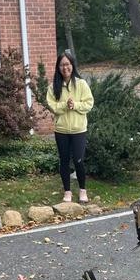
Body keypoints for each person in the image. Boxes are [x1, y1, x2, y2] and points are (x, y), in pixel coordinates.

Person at [46, 51, 94, 204]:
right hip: (61, 131)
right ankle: (67, 191)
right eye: (61, 65)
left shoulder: (81, 84)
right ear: (58, 67)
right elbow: (52, 106)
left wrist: (76, 105)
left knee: (79, 160)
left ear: (72, 65)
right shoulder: (53, 87)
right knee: (64, 161)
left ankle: (82, 190)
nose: (65, 67)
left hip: (79, 130)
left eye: (67, 64)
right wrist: (65, 106)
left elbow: (89, 103)